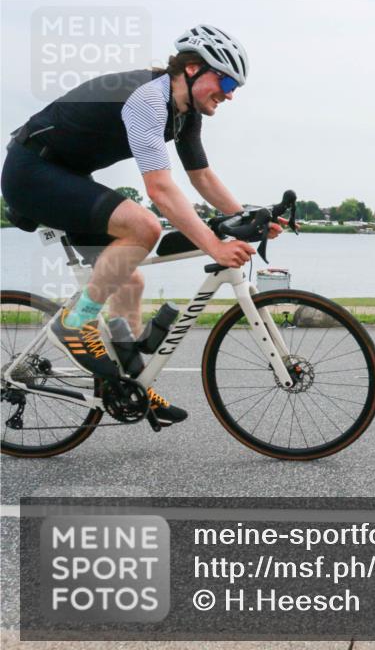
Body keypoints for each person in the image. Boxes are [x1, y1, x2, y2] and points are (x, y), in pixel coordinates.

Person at [1, 24, 282, 426]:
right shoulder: (149, 98)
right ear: (192, 69)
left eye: (234, 86)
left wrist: (248, 217)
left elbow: (202, 177)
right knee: (145, 227)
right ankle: (75, 324)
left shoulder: (184, 114)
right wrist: (214, 246)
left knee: (129, 281)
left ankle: (129, 385)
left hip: (66, 176)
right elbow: (160, 189)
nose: (230, 93)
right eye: (225, 81)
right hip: (31, 171)